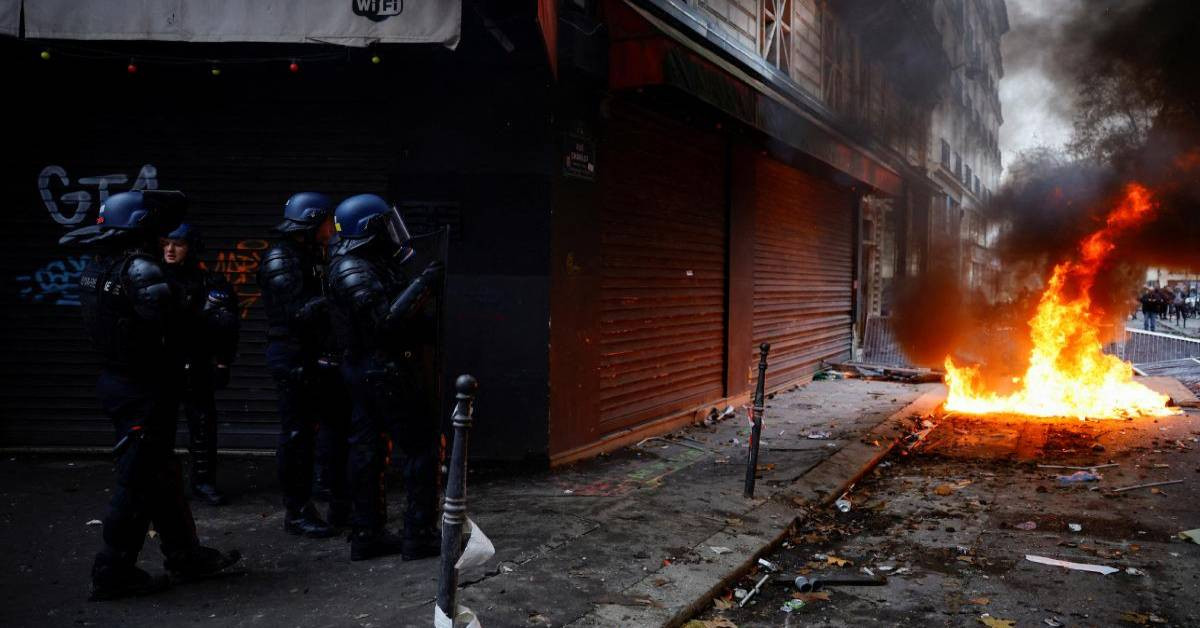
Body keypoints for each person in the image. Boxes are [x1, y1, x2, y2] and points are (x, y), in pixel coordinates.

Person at [62, 190, 240, 601]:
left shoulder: (99, 264)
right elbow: (173, 327)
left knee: (160, 474)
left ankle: (185, 556)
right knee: (138, 479)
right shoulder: (140, 269)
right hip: (143, 388)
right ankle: (112, 571)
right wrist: (212, 322)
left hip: (121, 383)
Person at [326, 194, 443, 561]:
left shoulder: (362, 263)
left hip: (368, 369)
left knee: (369, 449)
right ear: (370, 229)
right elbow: (385, 323)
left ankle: (368, 533)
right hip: (381, 369)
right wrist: (425, 283)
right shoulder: (353, 269)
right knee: (419, 447)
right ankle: (418, 533)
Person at [257, 192, 349, 538]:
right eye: (327, 221)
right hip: (292, 356)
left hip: (316, 356)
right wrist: (337, 296)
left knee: (331, 428)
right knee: (297, 435)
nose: (332, 228)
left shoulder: (311, 254)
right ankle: (296, 512)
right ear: (312, 223)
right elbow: (296, 313)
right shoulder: (281, 259)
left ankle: (334, 500)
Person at [161, 224, 239, 506]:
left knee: (203, 426)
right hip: (163, 365)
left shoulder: (210, 283)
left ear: (191, 248)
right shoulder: (151, 279)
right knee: (158, 428)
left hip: (197, 364)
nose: (169, 250)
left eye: (177, 244)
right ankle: (161, 485)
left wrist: (222, 362)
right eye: (166, 243)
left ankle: (203, 482)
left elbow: (228, 327)